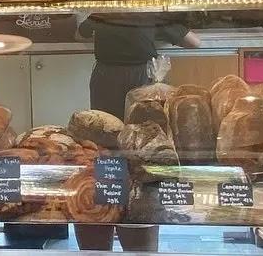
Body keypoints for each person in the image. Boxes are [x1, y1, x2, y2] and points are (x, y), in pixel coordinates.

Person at [74, 13, 200, 252]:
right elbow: (195, 42)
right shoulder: (150, 12)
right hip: (143, 78)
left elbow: (79, 33)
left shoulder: (103, 12)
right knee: (145, 154)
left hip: (105, 77)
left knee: (107, 151)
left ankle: (106, 214)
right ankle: (138, 230)